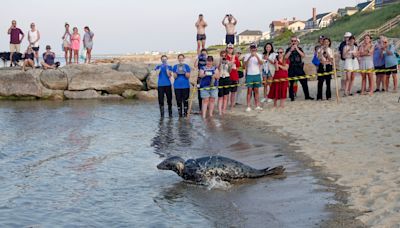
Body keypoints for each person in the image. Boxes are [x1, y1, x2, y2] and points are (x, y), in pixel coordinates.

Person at [285, 36, 314, 101]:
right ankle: (291, 97)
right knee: (291, 83)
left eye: (295, 41)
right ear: (290, 42)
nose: (293, 42)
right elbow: (285, 58)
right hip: (291, 67)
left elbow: (303, 56)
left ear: (297, 42)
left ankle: (307, 96)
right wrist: (290, 50)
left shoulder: (300, 49)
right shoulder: (288, 49)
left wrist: (297, 49)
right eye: (292, 41)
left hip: (299, 67)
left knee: (304, 81)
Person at [244, 43, 263, 112]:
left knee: (256, 91)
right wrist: (250, 57)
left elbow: (261, 63)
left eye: (254, 48)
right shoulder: (247, 55)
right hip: (249, 75)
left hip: (257, 74)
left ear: (256, 48)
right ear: (250, 49)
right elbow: (245, 65)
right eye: (252, 48)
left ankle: (257, 105)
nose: (253, 49)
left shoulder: (259, 55)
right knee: (249, 90)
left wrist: (256, 56)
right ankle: (248, 106)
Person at [226, 44, 240, 109]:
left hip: (235, 76)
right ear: (227, 49)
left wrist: (233, 60)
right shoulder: (225, 56)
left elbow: (238, 66)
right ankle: (225, 106)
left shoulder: (236, 57)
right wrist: (232, 62)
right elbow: (227, 66)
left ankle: (232, 106)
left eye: (231, 48)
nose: (230, 49)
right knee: (227, 93)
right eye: (229, 48)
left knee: (233, 92)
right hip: (227, 76)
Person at [217, 50, 231, 115]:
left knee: (226, 96)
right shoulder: (219, 62)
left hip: (227, 78)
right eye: (222, 55)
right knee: (220, 96)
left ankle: (224, 110)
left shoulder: (228, 61)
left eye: (224, 55)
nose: (223, 57)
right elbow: (217, 70)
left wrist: (228, 64)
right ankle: (220, 110)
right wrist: (220, 62)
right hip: (220, 78)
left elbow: (230, 71)